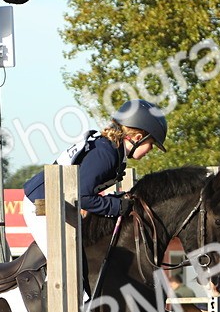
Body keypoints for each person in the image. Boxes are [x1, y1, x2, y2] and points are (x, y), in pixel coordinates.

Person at [20, 99, 168, 257]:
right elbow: (82, 196)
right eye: (151, 144)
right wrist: (118, 206)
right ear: (138, 137)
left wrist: (116, 199)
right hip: (41, 205)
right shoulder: (107, 154)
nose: (151, 149)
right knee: (65, 259)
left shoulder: (112, 149)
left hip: (59, 205)